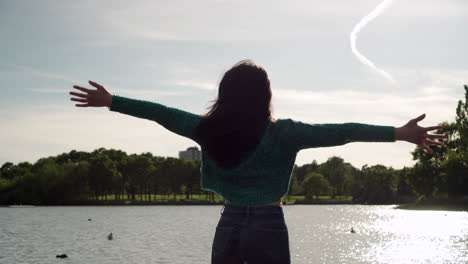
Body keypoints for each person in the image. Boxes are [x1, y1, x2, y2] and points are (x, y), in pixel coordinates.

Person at [69, 59, 446, 264]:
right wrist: (397, 132)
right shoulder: (285, 133)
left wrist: (113, 101)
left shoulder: (206, 128)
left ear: (225, 95)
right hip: (268, 223)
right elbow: (342, 130)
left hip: (229, 221)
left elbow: (159, 112)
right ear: (265, 95)